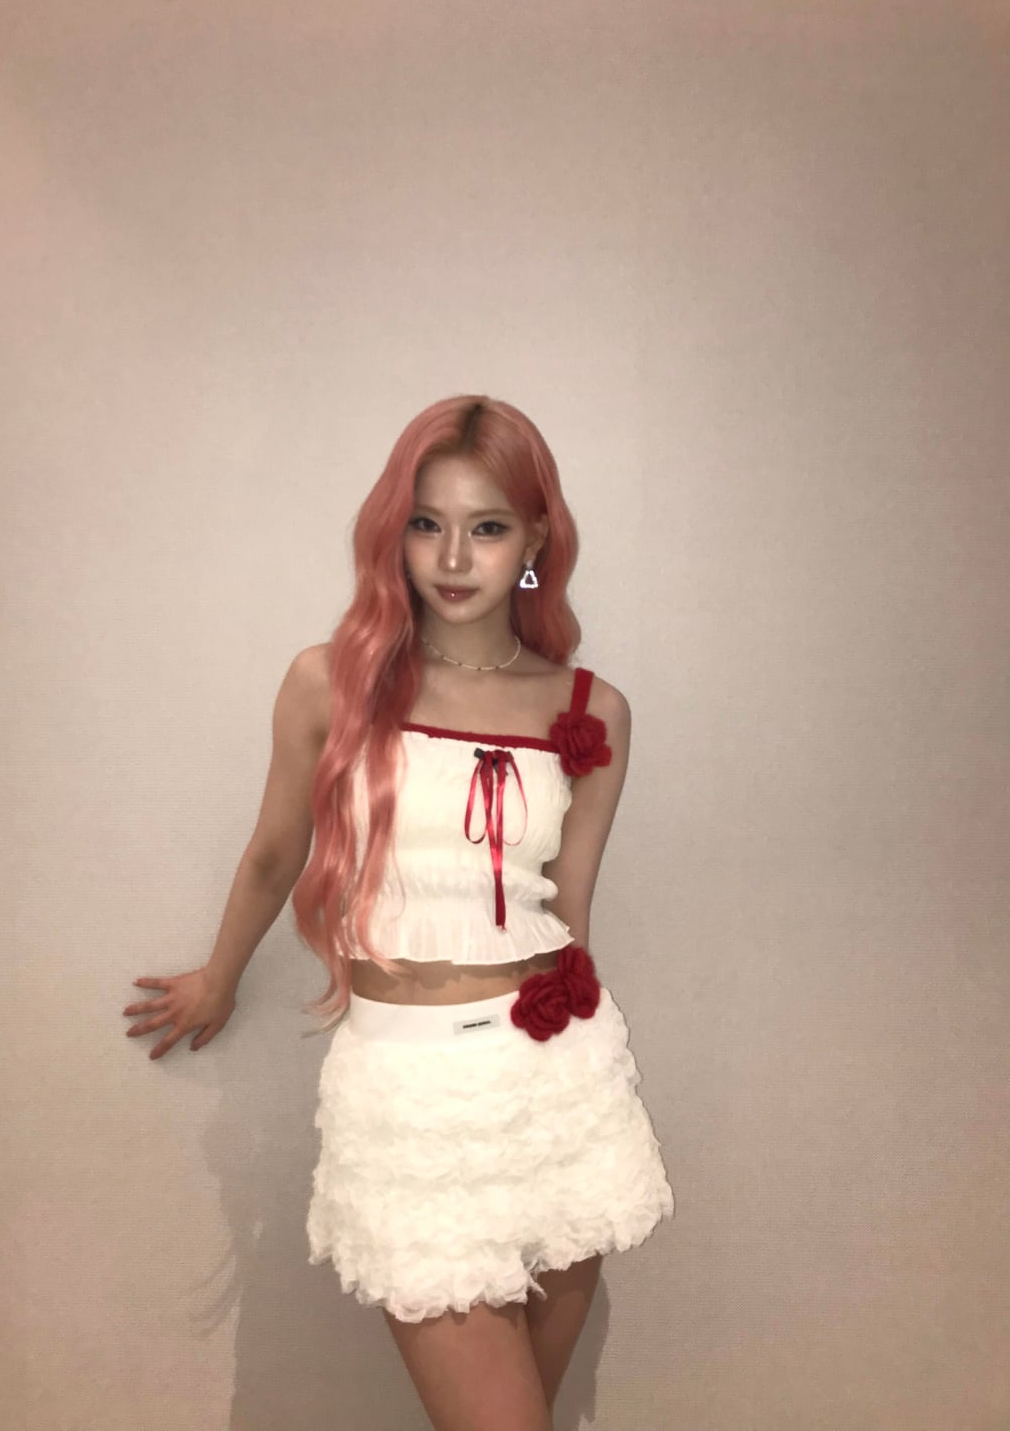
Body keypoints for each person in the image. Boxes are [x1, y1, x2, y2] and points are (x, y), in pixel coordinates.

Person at [123, 394, 675, 1430]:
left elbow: (570, 913)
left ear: (535, 539)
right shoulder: (327, 683)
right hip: (406, 1090)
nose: (454, 558)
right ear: (395, 533)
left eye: (487, 526)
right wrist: (219, 977)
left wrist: (576, 1040)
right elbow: (275, 852)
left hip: (559, 1082)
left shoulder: (592, 710)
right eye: (428, 524)